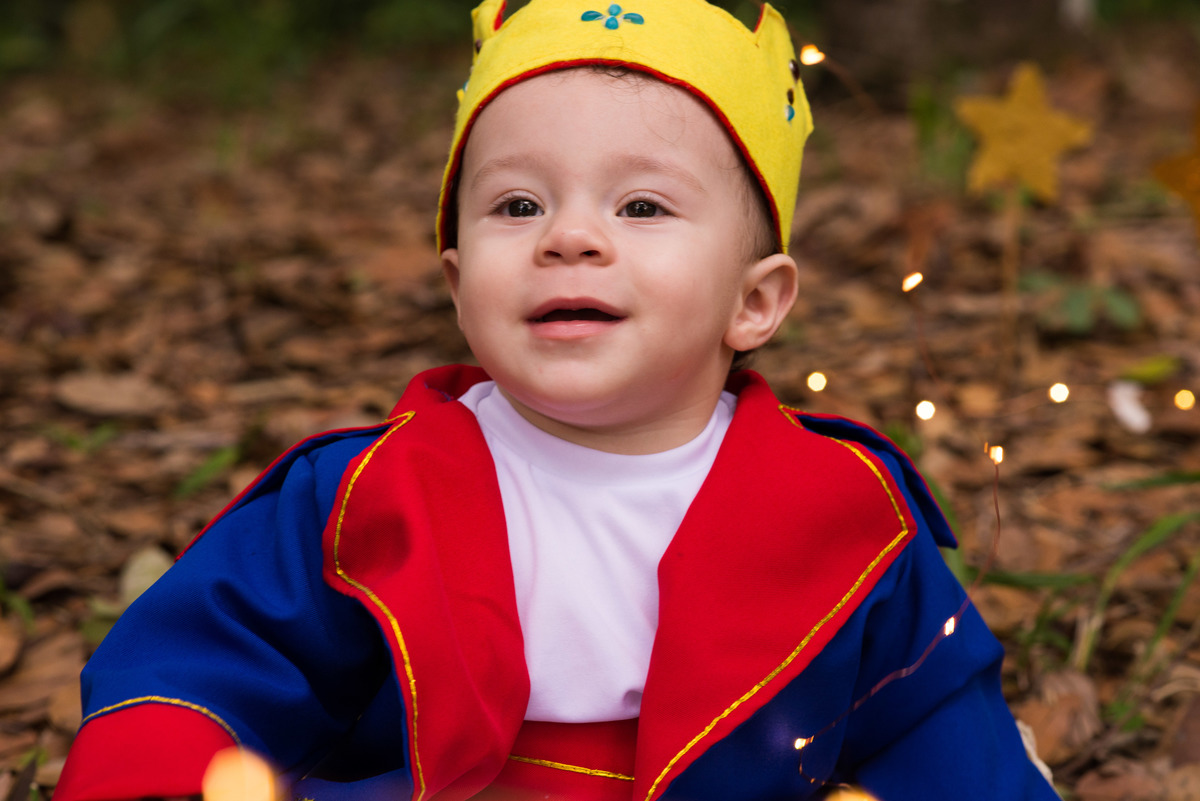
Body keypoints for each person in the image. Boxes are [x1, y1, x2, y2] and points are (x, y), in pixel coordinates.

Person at [54, 1, 1059, 799]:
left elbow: (931, 725)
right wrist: (170, 766)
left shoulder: (841, 515)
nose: (568, 238)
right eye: (518, 205)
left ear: (754, 303)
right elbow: (195, 670)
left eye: (643, 206)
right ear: (458, 285)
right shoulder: (366, 494)